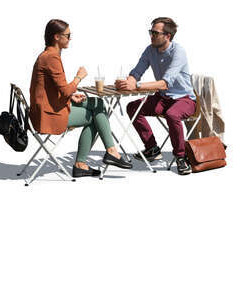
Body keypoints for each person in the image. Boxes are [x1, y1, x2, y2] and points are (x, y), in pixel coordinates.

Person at [29, 19, 132, 178]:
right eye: (68, 35)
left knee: (97, 103)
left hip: (47, 108)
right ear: (57, 37)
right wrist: (79, 77)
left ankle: (101, 156)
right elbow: (64, 91)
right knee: (95, 118)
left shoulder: (48, 55)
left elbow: (55, 90)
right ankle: (99, 156)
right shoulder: (51, 57)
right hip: (48, 116)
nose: (70, 38)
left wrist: (70, 96)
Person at [115, 17, 196, 175]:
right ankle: (152, 148)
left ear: (168, 36)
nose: (151, 35)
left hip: (184, 99)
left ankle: (181, 156)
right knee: (133, 107)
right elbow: (137, 71)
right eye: (150, 32)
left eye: (155, 33)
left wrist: (136, 86)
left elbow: (165, 83)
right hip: (163, 98)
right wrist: (127, 82)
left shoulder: (178, 51)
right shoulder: (150, 50)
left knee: (172, 114)